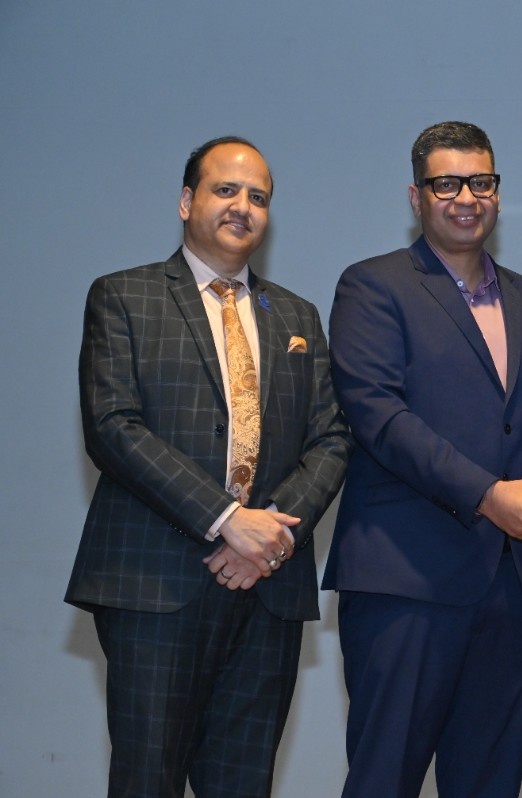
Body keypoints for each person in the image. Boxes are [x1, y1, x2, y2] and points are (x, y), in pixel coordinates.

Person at [66, 136, 351, 798]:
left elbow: (332, 438)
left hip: (268, 590)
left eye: (259, 197)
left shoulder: (297, 316)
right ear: (186, 201)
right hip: (154, 585)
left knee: (244, 785)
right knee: (148, 781)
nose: (242, 207)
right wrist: (227, 520)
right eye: (226, 190)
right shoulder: (124, 296)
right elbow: (112, 426)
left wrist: (270, 537)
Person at [323, 120, 522, 798]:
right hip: (405, 579)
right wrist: (491, 494)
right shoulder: (373, 286)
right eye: (446, 184)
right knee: (384, 780)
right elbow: (379, 417)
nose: (466, 197)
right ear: (417, 197)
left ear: (498, 192)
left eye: (481, 182)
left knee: (491, 782)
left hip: (512, 587)